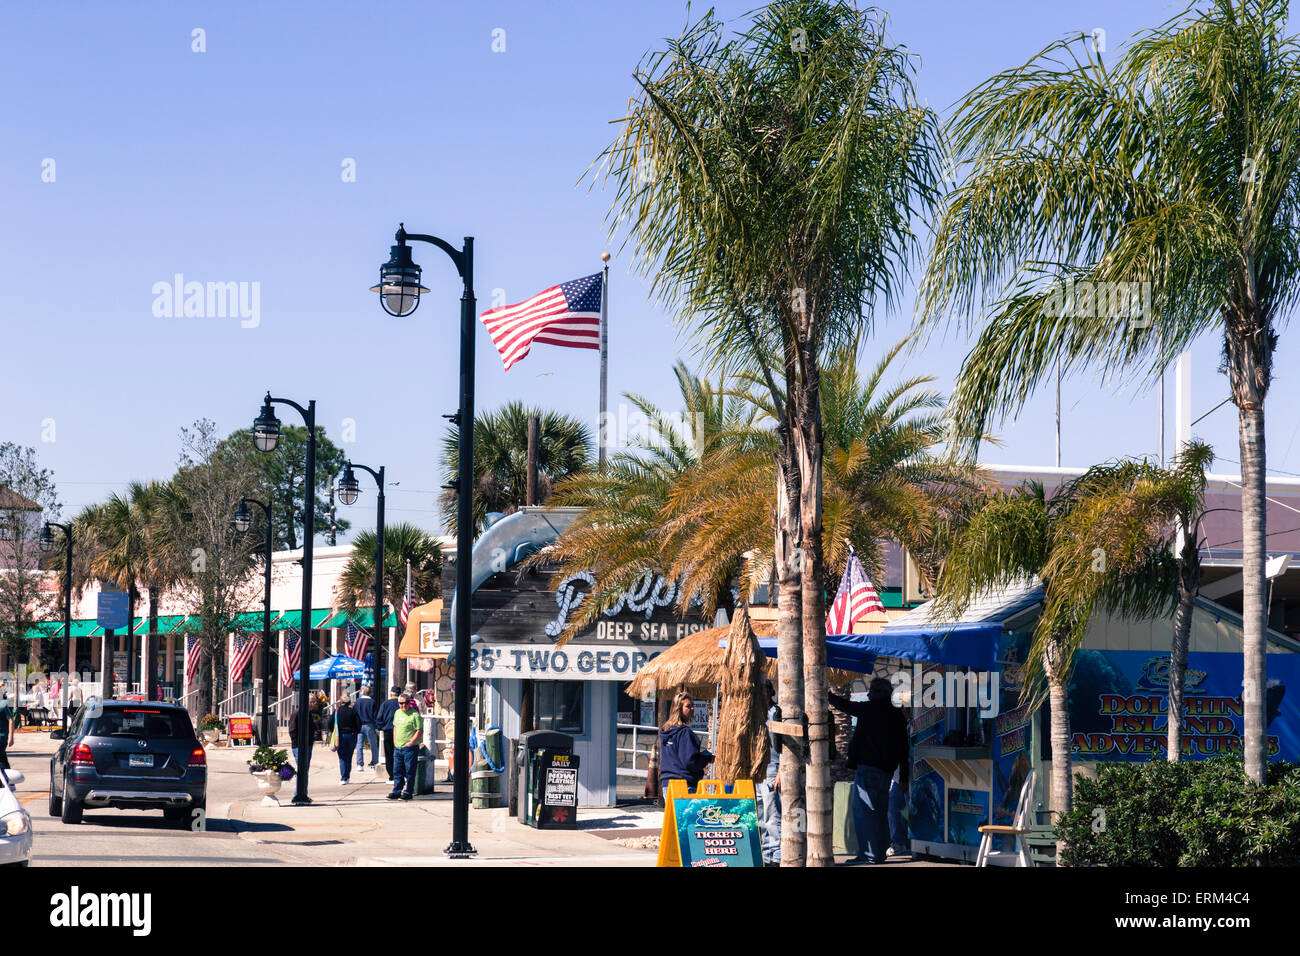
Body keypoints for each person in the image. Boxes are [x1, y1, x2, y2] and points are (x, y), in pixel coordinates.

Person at [830, 676, 909, 865]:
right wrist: (904, 778)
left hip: (869, 769)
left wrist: (826, 695)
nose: (868, 694)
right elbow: (904, 749)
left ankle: (869, 855)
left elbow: (846, 706)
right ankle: (878, 853)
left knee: (864, 812)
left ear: (879, 693)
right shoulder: (897, 715)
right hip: (887, 772)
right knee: (879, 813)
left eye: (871, 691)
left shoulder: (871, 709)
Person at [658, 691, 713, 796]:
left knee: (673, 813)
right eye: (688, 706)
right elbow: (690, 761)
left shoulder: (666, 731)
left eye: (693, 706)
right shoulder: (684, 733)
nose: (692, 709)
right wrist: (707, 758)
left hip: (667, 784)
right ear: (678, 709)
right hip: (684, 784)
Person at [757, 681, 782, 866]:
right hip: (758, 770)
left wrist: (781, 771)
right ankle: (767, 854)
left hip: (772, 769)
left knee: (772, 813)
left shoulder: (776, 713)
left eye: (765, 691)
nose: (763, 694)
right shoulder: (756, 714)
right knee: (760, 814)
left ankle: (777, 853)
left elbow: (784, 746)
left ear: (770, 692)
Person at [388, 693, 423, 801]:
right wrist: (394, 740)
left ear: (409, 703)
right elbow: (395, 727)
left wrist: (412, 742)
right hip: (398, 747)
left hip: (410, 748)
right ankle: (396, 791)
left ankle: (408, 792)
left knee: (409, 770)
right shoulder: (397, 713)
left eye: (406, 703)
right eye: (401, 703)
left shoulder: (414, 715)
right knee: (397, 770)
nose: (403, 705)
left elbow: (419, 730)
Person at [375, 686, 402, 779]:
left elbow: (379, 718)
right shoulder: (401, 704)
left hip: (387, 731)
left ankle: (391, 774)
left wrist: (380, 728)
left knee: (389, 753)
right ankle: (400, 773)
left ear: (391, 694)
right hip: (399, 731)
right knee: (399, 753)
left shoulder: (385, 704)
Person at [333, 694, 361, 784]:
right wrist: (356, 731)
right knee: (349, 756)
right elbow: (358, 724)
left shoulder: (336, 711)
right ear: (349, 702)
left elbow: (330, 723)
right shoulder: (353, 711)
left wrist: (333, 731)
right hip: (351, 735)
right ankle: (347, 776)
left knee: (342, 757)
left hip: (339, 735)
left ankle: (343, 777)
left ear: (341, 702)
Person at [354, 685, 378, 770]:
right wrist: (376, 726)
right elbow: (375, 716)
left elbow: (355, 714)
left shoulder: (358, 701)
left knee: (359, 745)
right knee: (373, 744)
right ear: (370, 693)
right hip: (369, 724)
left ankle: (359, 764)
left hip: (359, 725)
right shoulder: (372, 702)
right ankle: (375, 762)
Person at [0, 691, 13, 771]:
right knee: (2, 759)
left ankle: (7, 780)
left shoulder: (4, 704)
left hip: (1, 738)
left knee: (2, 760)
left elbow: (11, 720)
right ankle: (8, 781)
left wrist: (11, 738)